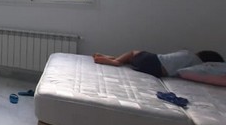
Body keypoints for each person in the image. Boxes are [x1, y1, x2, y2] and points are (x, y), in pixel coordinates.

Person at [93, 49, 223, 78]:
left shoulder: (189, 54)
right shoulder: (198, 69)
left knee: (134, 53)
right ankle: (111, 58)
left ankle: (115, 61)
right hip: (157, 71)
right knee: (131, 59)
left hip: (153, 60)